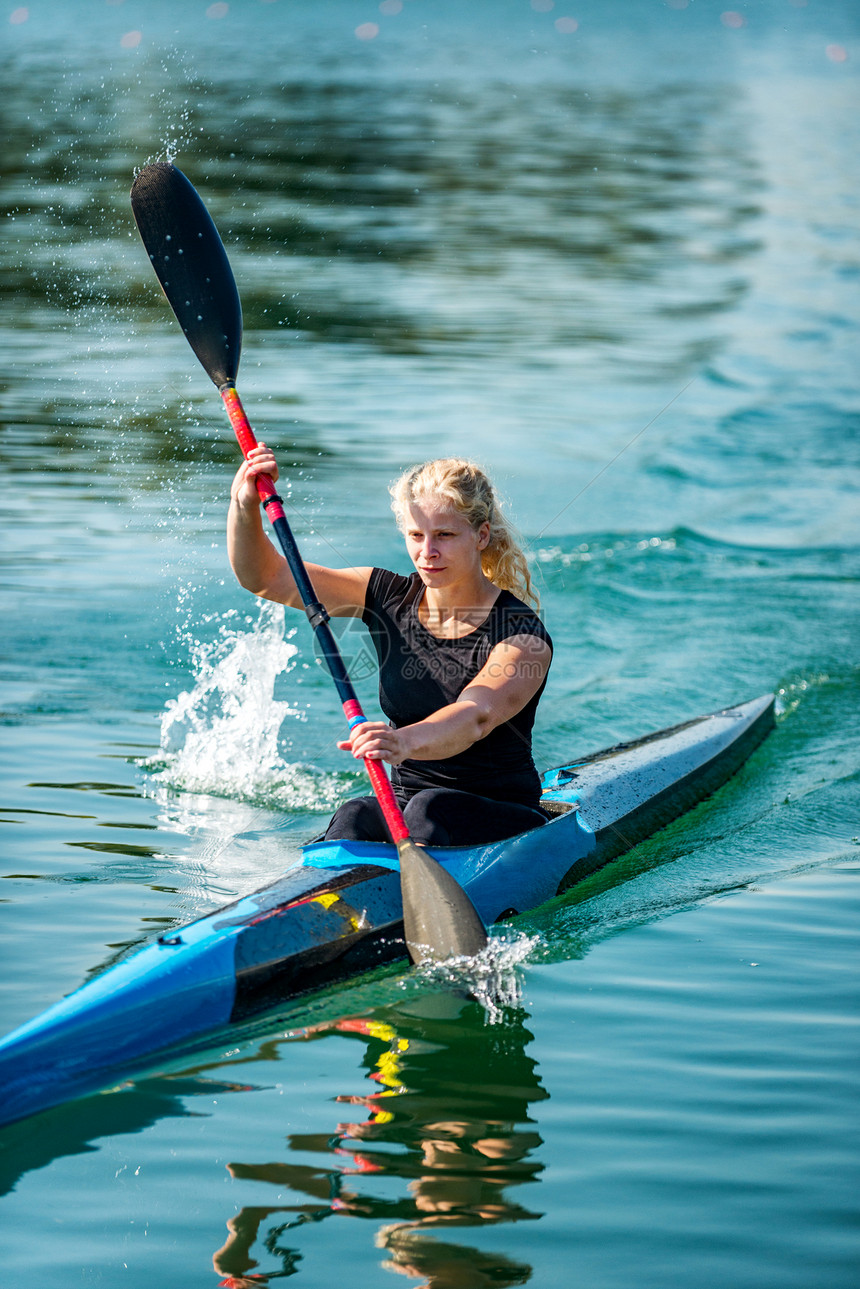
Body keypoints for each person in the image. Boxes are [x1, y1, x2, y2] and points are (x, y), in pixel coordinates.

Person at [228, 447, 552, 848]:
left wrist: (402, 742)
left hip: (499, 812)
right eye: (416, 535)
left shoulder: (522, 637)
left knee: (429, 809)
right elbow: (265, 577)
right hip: (407, 805)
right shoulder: (383, 594)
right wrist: (243, 505)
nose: (427, 552)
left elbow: (475, 717)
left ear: (481, 535)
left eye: (445, 535)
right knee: (354, 814)